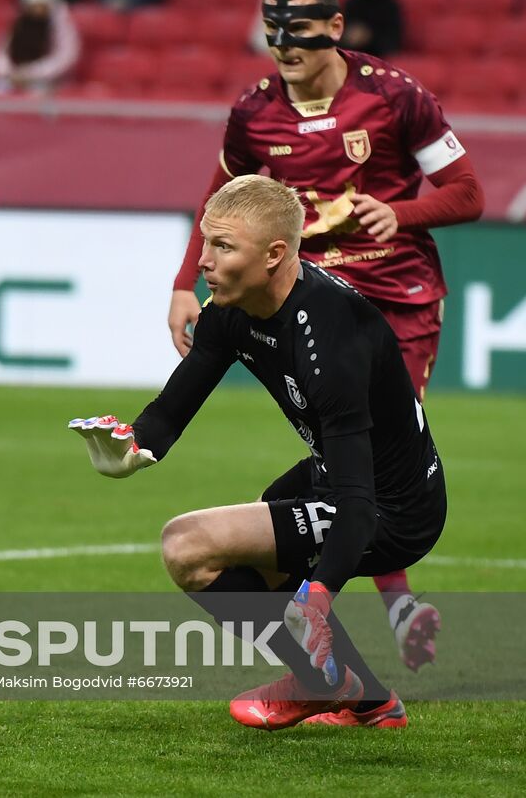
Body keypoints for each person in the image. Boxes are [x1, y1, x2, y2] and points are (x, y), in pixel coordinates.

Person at [167, 0, 484, 674]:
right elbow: (220, 199)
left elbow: (468, 192)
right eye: (273, 34)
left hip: (393, 300)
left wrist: (400, 212)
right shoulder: (254, 112)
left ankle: (357, 627)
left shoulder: (398, 98)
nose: (285, 47)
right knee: (326, 467)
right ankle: (336, 657)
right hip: (305, 299)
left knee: (367, 453)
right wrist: (186, 281)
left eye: (299, 33)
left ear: (336, 27)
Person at [73, 174, 448, 729]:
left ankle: (320, 681)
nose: (204, 261)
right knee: (254, 544)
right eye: (206, 242)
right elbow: (173, 409)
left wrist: (319, 595)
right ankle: (366, 700)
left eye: (223, 247)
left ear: (275, 254)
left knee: (188, 546)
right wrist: (132, 450)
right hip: (336, 475)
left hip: (395, 508)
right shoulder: (231, 310)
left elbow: (357, 500)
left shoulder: (332, 336)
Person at [0, 0, 81, 95]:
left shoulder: (62, 22)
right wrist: (9, 71)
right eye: (33, 5)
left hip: (49, 80)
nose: (37, 9)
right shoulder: (19, 20)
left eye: (41, 5)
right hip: (15, 76)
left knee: (39, 95)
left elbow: (66, 57)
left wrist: (31, 73)